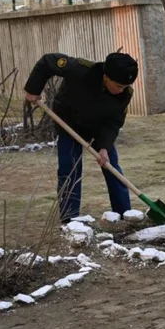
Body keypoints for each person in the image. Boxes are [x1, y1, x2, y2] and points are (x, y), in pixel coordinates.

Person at [23, 52, 138, 224]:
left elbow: (114, 123)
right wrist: (33, 89)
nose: (121, 90)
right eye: (118, 85)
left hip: (98, 128)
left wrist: (105, 147)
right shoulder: (80, 70)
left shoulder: (125, 93)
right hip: (68, 122)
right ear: (106, 77)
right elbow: (48, 61)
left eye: (125, 86)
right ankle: (69, 218)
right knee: (69, 167)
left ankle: (124, 214)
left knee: (111, 165)